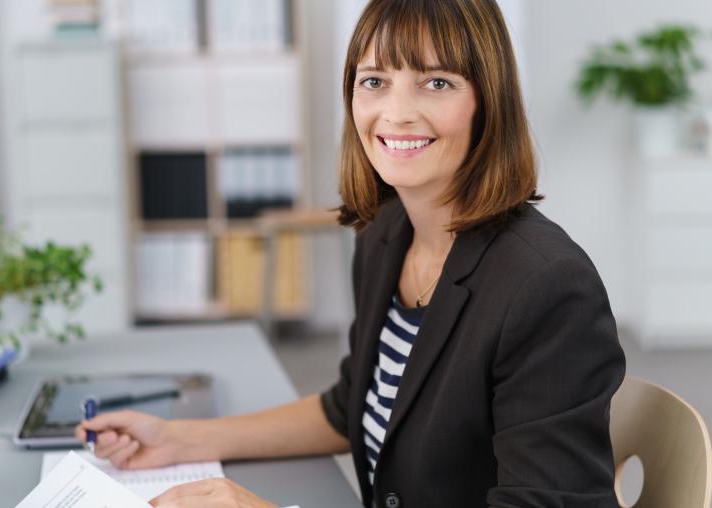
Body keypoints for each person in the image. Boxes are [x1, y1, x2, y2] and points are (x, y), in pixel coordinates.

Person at [76, 0, 627, 506]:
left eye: (436, 82)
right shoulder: (385, 235)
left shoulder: (547, 287)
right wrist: (177, 439)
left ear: (489, 100)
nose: (398, 113)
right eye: (375, 81)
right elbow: (350, 406)